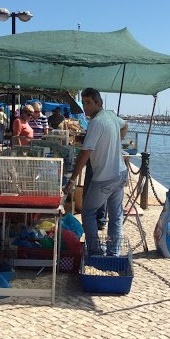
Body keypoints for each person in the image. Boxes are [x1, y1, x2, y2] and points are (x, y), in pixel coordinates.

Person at [65, 88, 128, 255]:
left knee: (88, 211)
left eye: (88, 103)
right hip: (120, 172)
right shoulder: (111, 116)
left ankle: (95, 251)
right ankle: (113, 253)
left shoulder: (96, 122)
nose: (85, 107)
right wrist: (116, 142)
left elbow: (85, 153)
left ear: (98, 103)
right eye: (84, 103)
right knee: (116, 216)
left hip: (106, 177)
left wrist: (72, 179)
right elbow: (125, 125)